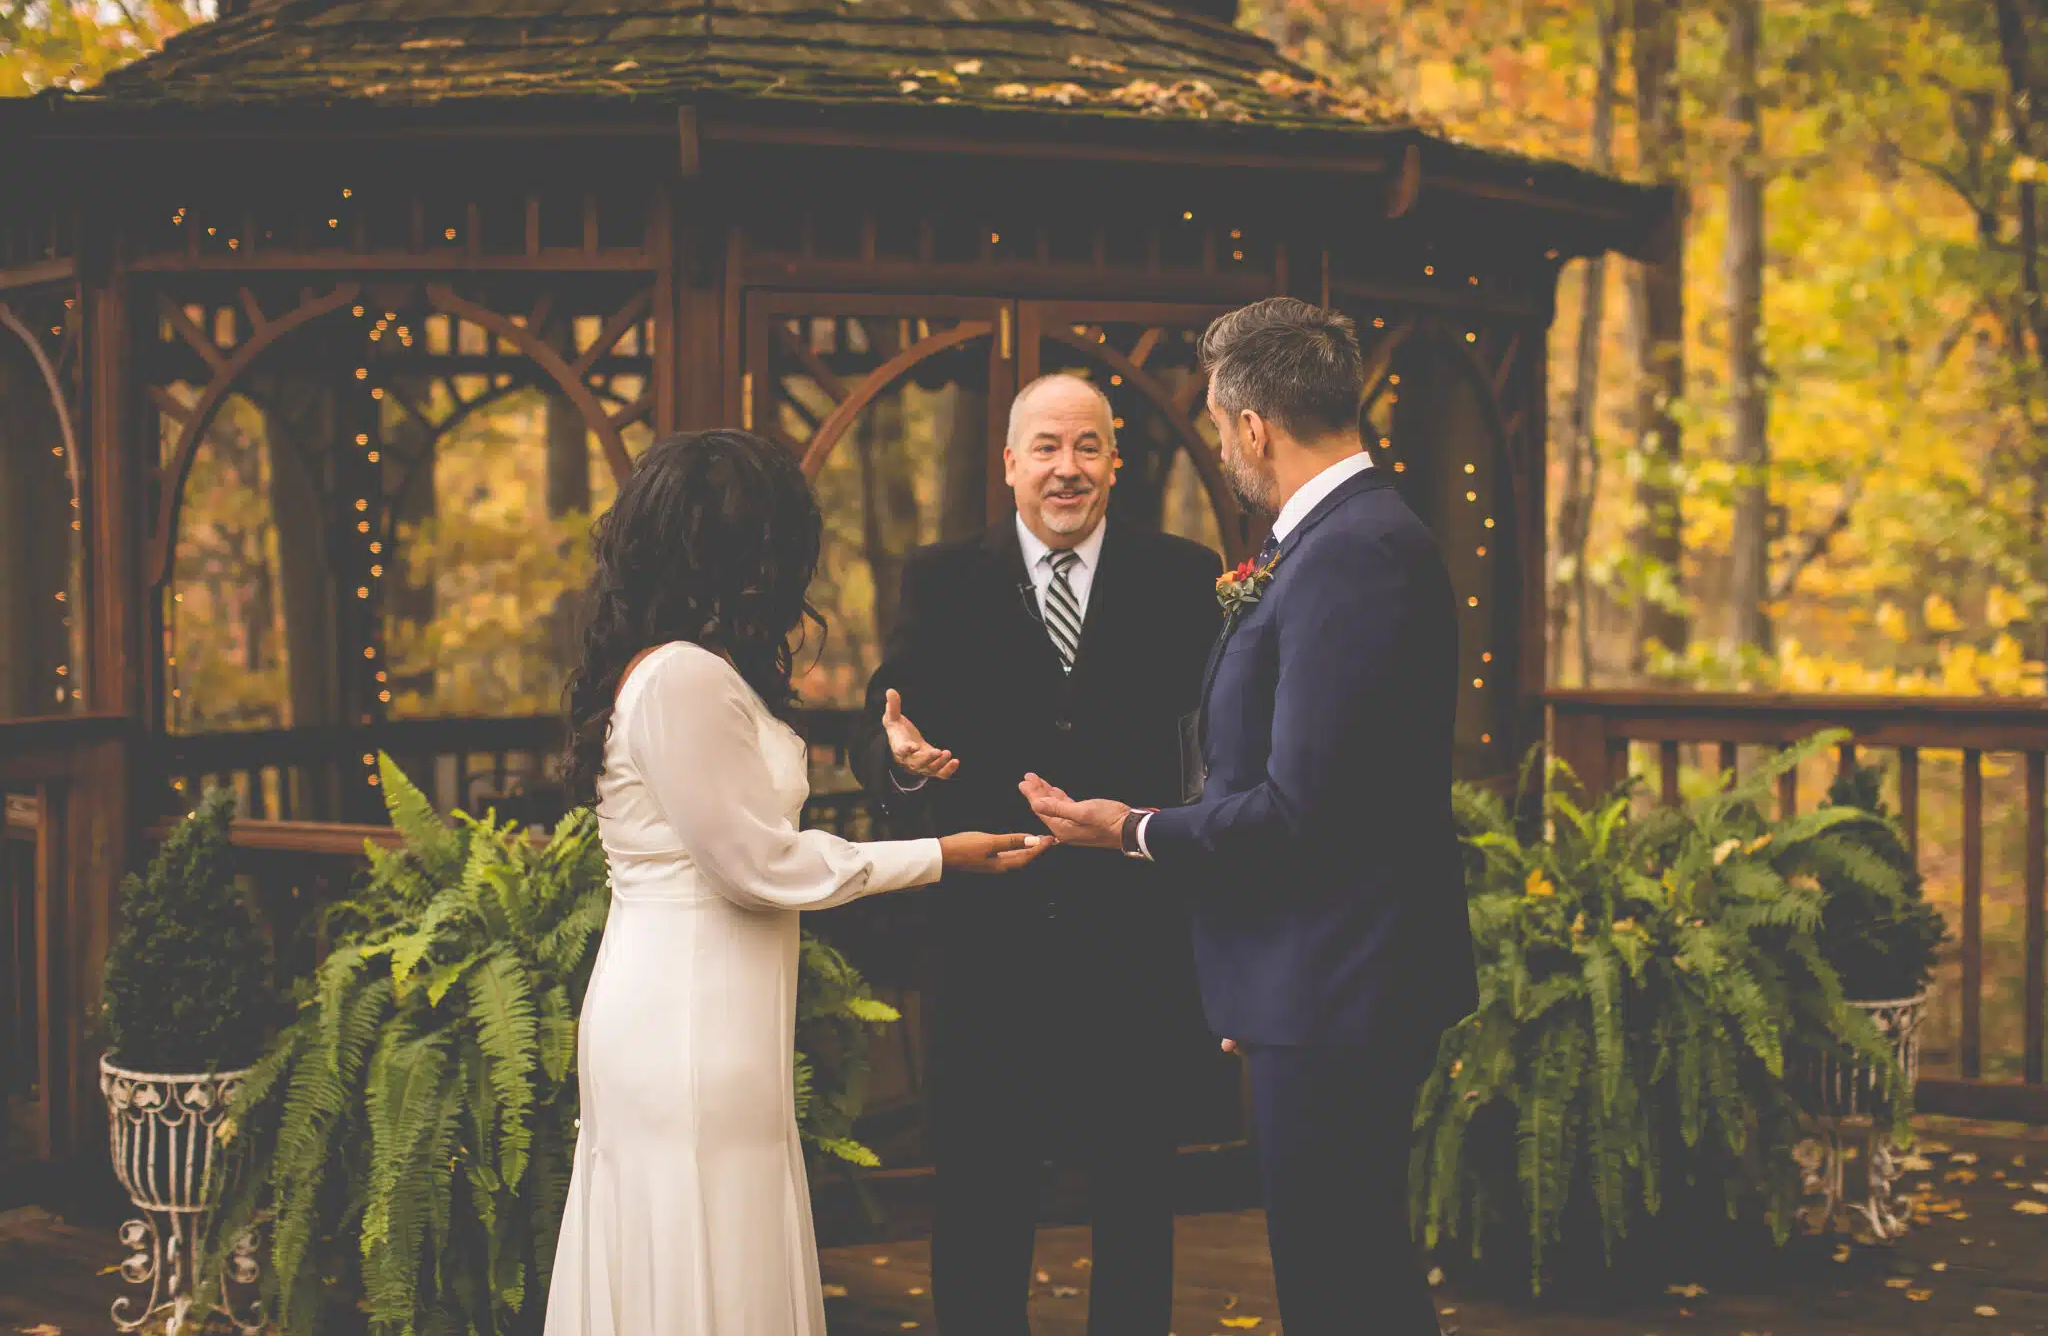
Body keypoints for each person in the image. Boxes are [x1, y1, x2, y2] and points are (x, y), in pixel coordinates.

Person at [1019, 299, 1475, 1336]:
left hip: (1338, 985)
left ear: (1252, 426)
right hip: (1314, 977)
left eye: (1222, 429)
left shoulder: (1349, 553)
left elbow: (1297, 811)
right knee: (1346, 1263)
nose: (1224, 448)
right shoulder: (1332, 540)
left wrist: (1127, 829)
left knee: (1337, 1279)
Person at [543, 430, 1052, 1336]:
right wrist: (941, 853)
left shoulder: (696, 670)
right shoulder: (681, 679)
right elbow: (759, 865)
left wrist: (898, 767)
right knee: (704, 1247)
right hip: (687, 1019)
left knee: (721, 1238)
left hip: (714, 1004)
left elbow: (743, 819)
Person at [853, 374, 1222, 1336]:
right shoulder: (942, 577)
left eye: (1088, 446)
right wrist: (897, 758)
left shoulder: (1184, 575)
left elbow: (1212, 748)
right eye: (1048, 447)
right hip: (989, 943)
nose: (1069, 468)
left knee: (1137, 1199)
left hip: (1134, 940)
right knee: (982, 1195)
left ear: (1116, 460)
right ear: (1010, 462)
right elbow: (885, 721)